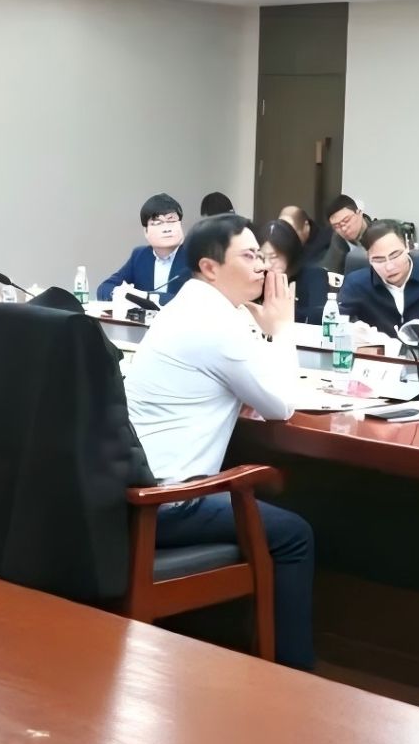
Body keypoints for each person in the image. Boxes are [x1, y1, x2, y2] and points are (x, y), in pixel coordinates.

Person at [122, 214, 314, 669]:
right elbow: (281, 404)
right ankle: (293, 675)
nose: (261, 267)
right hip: (166, 503)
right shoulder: (215, 324)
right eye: (249, 257)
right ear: (210, 268)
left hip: (131, 488)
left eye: (262, 257)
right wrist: (282, 327)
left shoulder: (192, 307)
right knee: (295, 536)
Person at [338, 220, 419, 340]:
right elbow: (336, 322)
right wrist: (352, 331)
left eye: (395, 255)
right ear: (368, 257)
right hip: (377, 355)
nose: (389, 267)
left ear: (407, 245)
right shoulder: (356, 284)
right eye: (379, 260)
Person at [96, 194, 189, 303]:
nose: (166, 229)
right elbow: (105, 288)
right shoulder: (140, 255)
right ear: (146, 231)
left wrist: (144, 296)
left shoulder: (194, 256)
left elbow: (195, 300)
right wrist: (119, 293)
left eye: (171, 221)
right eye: (158, 223)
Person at [261, 219, 329, 325]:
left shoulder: (314, 276)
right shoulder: (258, 277)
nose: (267, 264)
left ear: (289, 253)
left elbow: (317, 318)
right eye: (262, 257)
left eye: (273, 257)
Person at [318, 194, 377, 275]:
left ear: (359, 213)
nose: (343, 228)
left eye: (346, 220)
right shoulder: (338, 238)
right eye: (336, 226)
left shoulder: (380, 234)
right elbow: (330, 270)